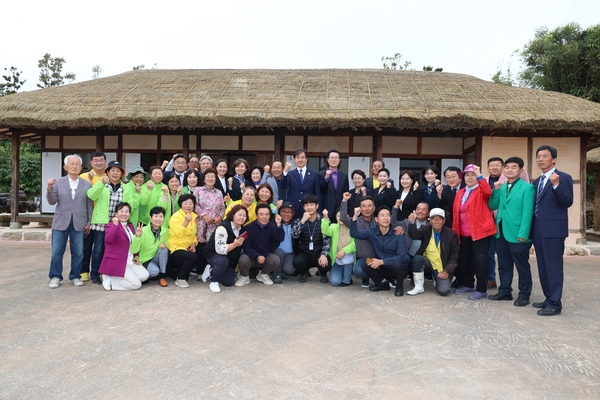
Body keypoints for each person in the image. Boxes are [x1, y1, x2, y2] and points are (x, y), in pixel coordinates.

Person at [532, 145, 573, 316]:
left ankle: (555, 304)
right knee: (542, 267)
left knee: (554, 267)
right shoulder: (537, 181)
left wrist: (556, 185)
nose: (541, 159)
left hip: (554, 230)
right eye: (538, 156)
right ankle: (549, 297)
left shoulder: (563, 177)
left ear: (553, 159)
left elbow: (568, 201)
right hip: (538, 230)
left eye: (545, 156)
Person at [488, 157, 535, 307]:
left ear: (521, 170)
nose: (509, 170)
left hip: (518, 234)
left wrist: (524, 233)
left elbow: (528, 213)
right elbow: (493, 205)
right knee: (503, 264)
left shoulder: (528, 188)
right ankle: (505, 291)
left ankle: (524, 294)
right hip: (501, 232)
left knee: (522, 266)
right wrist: (495, 190)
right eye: (507, 167)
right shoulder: (501, 187)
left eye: (513, 167)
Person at [87, 160, 140, 284]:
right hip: (102, 223)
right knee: (98, 250)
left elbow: (131, 204)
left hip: (119, 225)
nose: (115, 173)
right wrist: (101, 183)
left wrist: (137, 194)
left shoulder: (126, 187)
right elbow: (91, 195)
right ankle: (95, 274)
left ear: (121, 173)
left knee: (113, 251)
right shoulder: (102, 184)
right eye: (113, 170)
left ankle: (110, 273)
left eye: (118, 171)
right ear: (107, 172)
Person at [47, 155, 93, 289]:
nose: (74, 166)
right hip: (60, 221)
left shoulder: (87, 184)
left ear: (81, 167)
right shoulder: (58, 182)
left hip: (80, 221)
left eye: (77, 164)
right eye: (71, 164)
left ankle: (75, 276)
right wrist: (49, 189)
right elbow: (52, 201)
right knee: (57, 251)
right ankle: (55, 276)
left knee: (78, 252)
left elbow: (89, 205)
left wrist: (89, 222)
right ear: (65, 167)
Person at [452, 164, 497, 300]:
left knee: (480, 261)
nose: (470, 177)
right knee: (465, 260)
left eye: (473, 175)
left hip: (480, 232)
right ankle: (468, 284)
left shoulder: (481, 190)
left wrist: (480, 176)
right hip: (464, 233)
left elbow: (488, 192)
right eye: (467, 175)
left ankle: (481, 289)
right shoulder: (461, 192)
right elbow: (456, 214)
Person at [350, 206, 410, 296]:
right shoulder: (372, 232)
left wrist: (382, 261)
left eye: (388, 215)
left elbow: (402, 257)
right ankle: (382, 284)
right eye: (382, 215)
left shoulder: (397, 232)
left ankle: (399, 287)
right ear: (376, 219)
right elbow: (354, 233)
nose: (386, 218)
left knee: (398, 264)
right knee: (366, 264)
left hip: (396, 268)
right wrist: (355, 217)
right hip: (382, 268)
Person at [406, 208, 459, 296]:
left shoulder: (451, 234)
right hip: (428, 263)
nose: (436, 221)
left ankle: (436, 280)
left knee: (444, 291)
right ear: (430, 221)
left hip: (442, 267)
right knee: (417, 259)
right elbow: (414, 235)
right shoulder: (425, 229)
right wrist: (412, 223)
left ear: (444, 221)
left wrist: (447, 271)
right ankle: (419, 286)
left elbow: (454, 257)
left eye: (439, 219)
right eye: (433, 219)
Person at [99, 202, 150, 291]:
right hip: (118, 261)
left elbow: (133, 244)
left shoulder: (130, 226)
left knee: (145, 276)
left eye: (127, 211)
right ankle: (110, 281)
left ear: (129, 214)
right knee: (136, 284)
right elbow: (109, 240)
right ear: (116, 214)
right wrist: (115, 225)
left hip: (129, 261)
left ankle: (116, 277)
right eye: (121, 211)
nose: (124, 214)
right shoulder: (111, 225)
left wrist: (136, 255)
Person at [236, 204, 284, 287]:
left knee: (275, 259)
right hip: (251, 256)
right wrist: (257, 256)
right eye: (261, 214)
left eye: (267, 214)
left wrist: (279, 225)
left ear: (270, 215)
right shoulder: (249, 227)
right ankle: (244, 276)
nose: (264, 217)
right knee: (243, 259)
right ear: (256, 216)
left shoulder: (273, 226)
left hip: (265, 255)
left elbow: (280, 238)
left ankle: (263, 274)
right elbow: (246, 246)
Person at [203, 205, 248, 293]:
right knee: (222, 261)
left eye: (244, 215)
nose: (242, 218)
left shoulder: (243, 229)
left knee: (229, 282)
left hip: (229, 257)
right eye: (239, 215)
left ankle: (211, 270)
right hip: (214, 253)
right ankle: (214, 282)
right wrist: (234, 245)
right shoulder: (223, 227)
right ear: (233, 215)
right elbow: (219, 249)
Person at [192, 168, 225, 279]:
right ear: (204, 178)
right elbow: (195, 205)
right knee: (201, 246)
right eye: (208, 176)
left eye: (213, 176)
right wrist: (204, 215)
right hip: (201, 223)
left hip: (214, 225)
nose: (210, 178)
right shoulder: (198, 190)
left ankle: (211, 270)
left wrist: (220, 217)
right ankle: (200, 272)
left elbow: (222, 208)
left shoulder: (219, 192)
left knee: (211, 247)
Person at [339, 192, 377, 288]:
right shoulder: (354, 222)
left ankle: (379, 276)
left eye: (369, 206)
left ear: (374, 208)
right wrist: (344, 201)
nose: (367, 209)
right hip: (364, 258)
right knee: (357, 271)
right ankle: (366, 277)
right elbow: (343, 217)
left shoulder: (379, 221)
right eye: (364, 206)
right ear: (360, 208)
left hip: (379, 257)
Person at [80, 151, 107, 282]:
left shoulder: (108, 177)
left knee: (99, 248)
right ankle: (83, 270)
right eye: (96, 161)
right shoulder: (84, 176)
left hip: (101, 217)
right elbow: (84, 195)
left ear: (105, 162)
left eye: (101, 160)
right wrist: (90, 181)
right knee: (86, 245)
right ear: (91, 162)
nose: (99, 163)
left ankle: (97, 271)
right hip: (87, 215)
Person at [292, 194, 331, 283]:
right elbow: (294, 235)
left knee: (326, 263)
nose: (309, 207)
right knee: (297, 262)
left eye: (312, 205)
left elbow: (327, 240)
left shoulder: (324, 220)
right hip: (305, 252)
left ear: (317, 206)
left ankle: (322, 273)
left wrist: (324, 254)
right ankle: (305, 273)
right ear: (303, 207)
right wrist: (302, 221)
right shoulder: (299, 220)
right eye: (306, 205)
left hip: (318, 252)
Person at [131, 206, 170, 287]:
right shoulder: (143, 231)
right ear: (150, 218)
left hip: (155, 257)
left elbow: (170, 242)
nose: (158, 219)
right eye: (155, 216)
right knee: (154, 271)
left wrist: (165, 243)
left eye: (161, 217)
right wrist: (137, 237)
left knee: (164, 250)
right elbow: (134, 249)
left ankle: (162, 276)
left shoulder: (165, 230)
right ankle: (145, 276)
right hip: (144, 259)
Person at [166, 194, 198, 288]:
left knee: (198, 252)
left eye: (190, 203)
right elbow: (178, 233)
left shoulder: (193, 216)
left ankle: (177, 274)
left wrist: (194, 243)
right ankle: (180, 279)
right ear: (181, 204)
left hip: (187, 247)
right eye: (185, 203)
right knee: (192, 257)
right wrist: (186, 222)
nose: (188, 206)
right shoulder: (176, 216)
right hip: (176, 248)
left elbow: (193, 234)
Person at [281, 149, 321, 219]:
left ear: (306, 159)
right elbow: (283, 185)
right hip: (293, 206)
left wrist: (319, 210)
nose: (300, 160)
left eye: (302, 157)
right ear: (294, 159)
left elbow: (317, 192)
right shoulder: (290, 174)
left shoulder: (314, 174)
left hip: (308, 207)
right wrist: (285, 171)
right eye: (298, 157)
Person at [321, 208, 356, 286]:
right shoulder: (334, 227)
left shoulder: (353, 228)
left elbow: (355, 244)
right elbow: (325, 231)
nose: (340, 218)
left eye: (343, 216)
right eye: (338, 216)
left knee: (346, 276)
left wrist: (344, 250)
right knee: (335, 282)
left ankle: (348, 279)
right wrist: (325, 218)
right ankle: (341, 273)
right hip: (337, 259)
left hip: (348, 257)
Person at [319, 149, 349, 223]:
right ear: (328, 160)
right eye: (332, 158)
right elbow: (320, 190)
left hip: (339, 210)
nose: (334, 160)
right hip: (326, 209)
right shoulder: (320, 174)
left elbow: (346, 192)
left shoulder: (344, 176)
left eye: (336, 158)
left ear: (339, 160)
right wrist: (326, 178)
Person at [272, 202, 296, 283]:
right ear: (279, 212)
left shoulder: (295, 223)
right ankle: (277, 274)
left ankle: (282, 271)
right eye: (283, 211)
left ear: (293, 214)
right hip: (277, 252)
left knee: (289, 270)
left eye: (289, 212)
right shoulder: (274, 223)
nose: (286, 214)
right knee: (279, 252)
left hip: (290, 253)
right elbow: (268, 216)